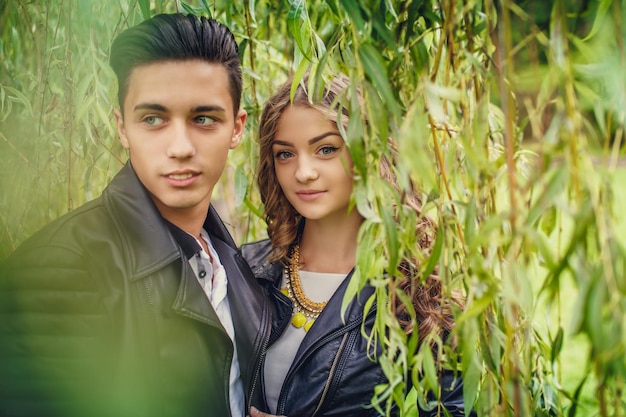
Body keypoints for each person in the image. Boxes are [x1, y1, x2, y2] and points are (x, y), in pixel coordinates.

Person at [0, 13, 270, 417]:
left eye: (203, 119)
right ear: (122, 128)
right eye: (153, 119)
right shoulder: (62, 268)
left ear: (236, 127)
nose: (180, 147)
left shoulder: (231, 262)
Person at [242, 74, 474, 417]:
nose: (303, 172)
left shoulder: (421, 290)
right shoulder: (247, 268)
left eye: (326, 149)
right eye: (285, 154)